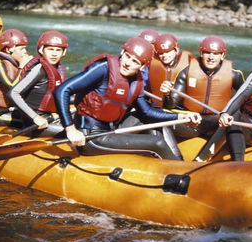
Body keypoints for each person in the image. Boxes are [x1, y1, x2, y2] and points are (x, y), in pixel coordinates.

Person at [53, 37, 201, 160]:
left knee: (150, 118)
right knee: (158, 142)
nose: (128, 63)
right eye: (127, 56)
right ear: (122, 52)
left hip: (110, 130)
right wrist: (70, 129)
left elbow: (147, 112)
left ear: (143, 67)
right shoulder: (103, 68)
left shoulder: (137, 82)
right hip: (90, 137)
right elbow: (62, 91)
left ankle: (174, 162)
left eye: (135, 62)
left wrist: (182, 116)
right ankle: (180, 172)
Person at [161, 35, 244, 162]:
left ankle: (202, 158)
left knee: (235, 114)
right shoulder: (187, 71)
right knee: (161, 121)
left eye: (215, 54)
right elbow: (171, 105)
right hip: (192, 122)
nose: (211, 57)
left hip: (217, 123)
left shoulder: (234, 75)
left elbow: (247, 101)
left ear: (222, 55)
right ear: (201, 53)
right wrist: (167, 94)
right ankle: (176, 159)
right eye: (207, 53)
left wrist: (229, 115)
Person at [8, 30, 68, 136]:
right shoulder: (39, 69)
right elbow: (13, 93)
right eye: (50, 49)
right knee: (77, 131)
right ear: (41, 50)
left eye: (58, 50)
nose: (54, 53)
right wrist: (35, 117)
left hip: (48, 116)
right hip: (33, 121)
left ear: (63, 52)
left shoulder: (57, 68)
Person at [146, 33, 195, 106]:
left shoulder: (189, 62)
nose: (164, 55)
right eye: (161, 53)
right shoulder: (151, 63)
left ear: (176, 50)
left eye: (167, 51)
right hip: (156, 106)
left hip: (179, 107)